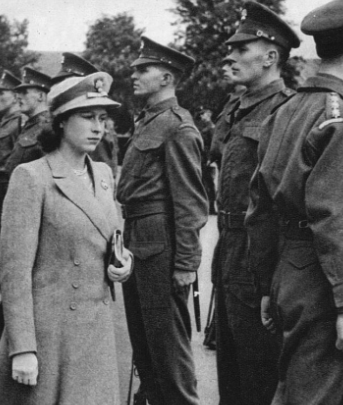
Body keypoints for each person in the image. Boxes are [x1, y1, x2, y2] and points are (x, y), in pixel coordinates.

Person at [0, 71, 132, 405]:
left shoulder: (104, 175)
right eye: (87, 116)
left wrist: (123, 264)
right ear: (61, 121)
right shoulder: (32, 177)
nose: (98, 127)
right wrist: (23, 348)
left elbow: (112, 238)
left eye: (103, 118)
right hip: (53, 336)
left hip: (100, 328)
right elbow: (14, 272)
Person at [246, 1, 343, 403]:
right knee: (310, 393)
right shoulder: (339, 119)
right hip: (322, 282)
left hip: (289, 271)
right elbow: (333, 222)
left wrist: (268, 283)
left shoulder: (285, 111)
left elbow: (259, 209)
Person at [211, 3, 300, 404]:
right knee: (228, 368)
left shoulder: (288, 110)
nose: (230, 56)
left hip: (260, 257)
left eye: (242, 48)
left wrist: (273, 278)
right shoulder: (235, 107)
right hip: (228, 249)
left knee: (261, 373)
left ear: (270, 56)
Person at [117, 36, 208, 405]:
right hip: (137, 234)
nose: (134, 74)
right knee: (144, 345)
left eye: (143, 69)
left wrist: (186, 264)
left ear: (167, 77)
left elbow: (190, 204)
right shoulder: (148, 121)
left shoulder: (178, 127)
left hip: (161, 242)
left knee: (168, 348)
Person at [0, 70, 27, 346]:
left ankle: (4, 321)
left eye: (3, 92)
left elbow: (15, 167)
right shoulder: (6, 122)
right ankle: (1, 320)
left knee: (11, 263)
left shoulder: (20, 123)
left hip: (10, 200)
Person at [5, 67, 53, 175]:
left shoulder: (46, 127)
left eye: (24, 92)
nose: (18, 97)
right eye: (18, 93)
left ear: (40, 96)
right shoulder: (30, 125)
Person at [196, 107, 216, 215]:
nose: (201, 116)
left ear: (208, 115)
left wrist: (210, 158)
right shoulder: (204, 127)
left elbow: (213, 144)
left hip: (207, 160)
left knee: (209, 183)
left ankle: (211, 207)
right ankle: (205, 207)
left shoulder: (211, 127)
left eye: (203, 114)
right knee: (204, 182)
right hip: (202, 158)